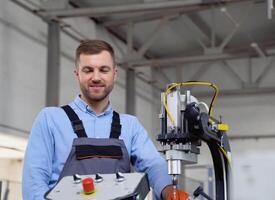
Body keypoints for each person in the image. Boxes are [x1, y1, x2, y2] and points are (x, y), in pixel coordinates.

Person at [22, 40, 188, 200]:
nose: (96, 77)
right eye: (88, 70)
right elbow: (34, 182)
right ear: (77, 74)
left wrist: (168, 190)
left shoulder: (130, 126)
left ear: (114, 74)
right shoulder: (50, 119)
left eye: (103, 70)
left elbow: (154, 165)